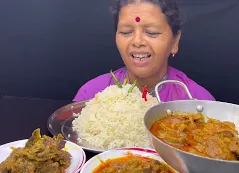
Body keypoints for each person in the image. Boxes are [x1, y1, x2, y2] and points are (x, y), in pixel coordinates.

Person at [73, 0, 215, 102]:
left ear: (175, 41)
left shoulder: (198, 101)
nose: (137, 41)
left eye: (152, 33)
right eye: (126, 32)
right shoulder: (91, 95)